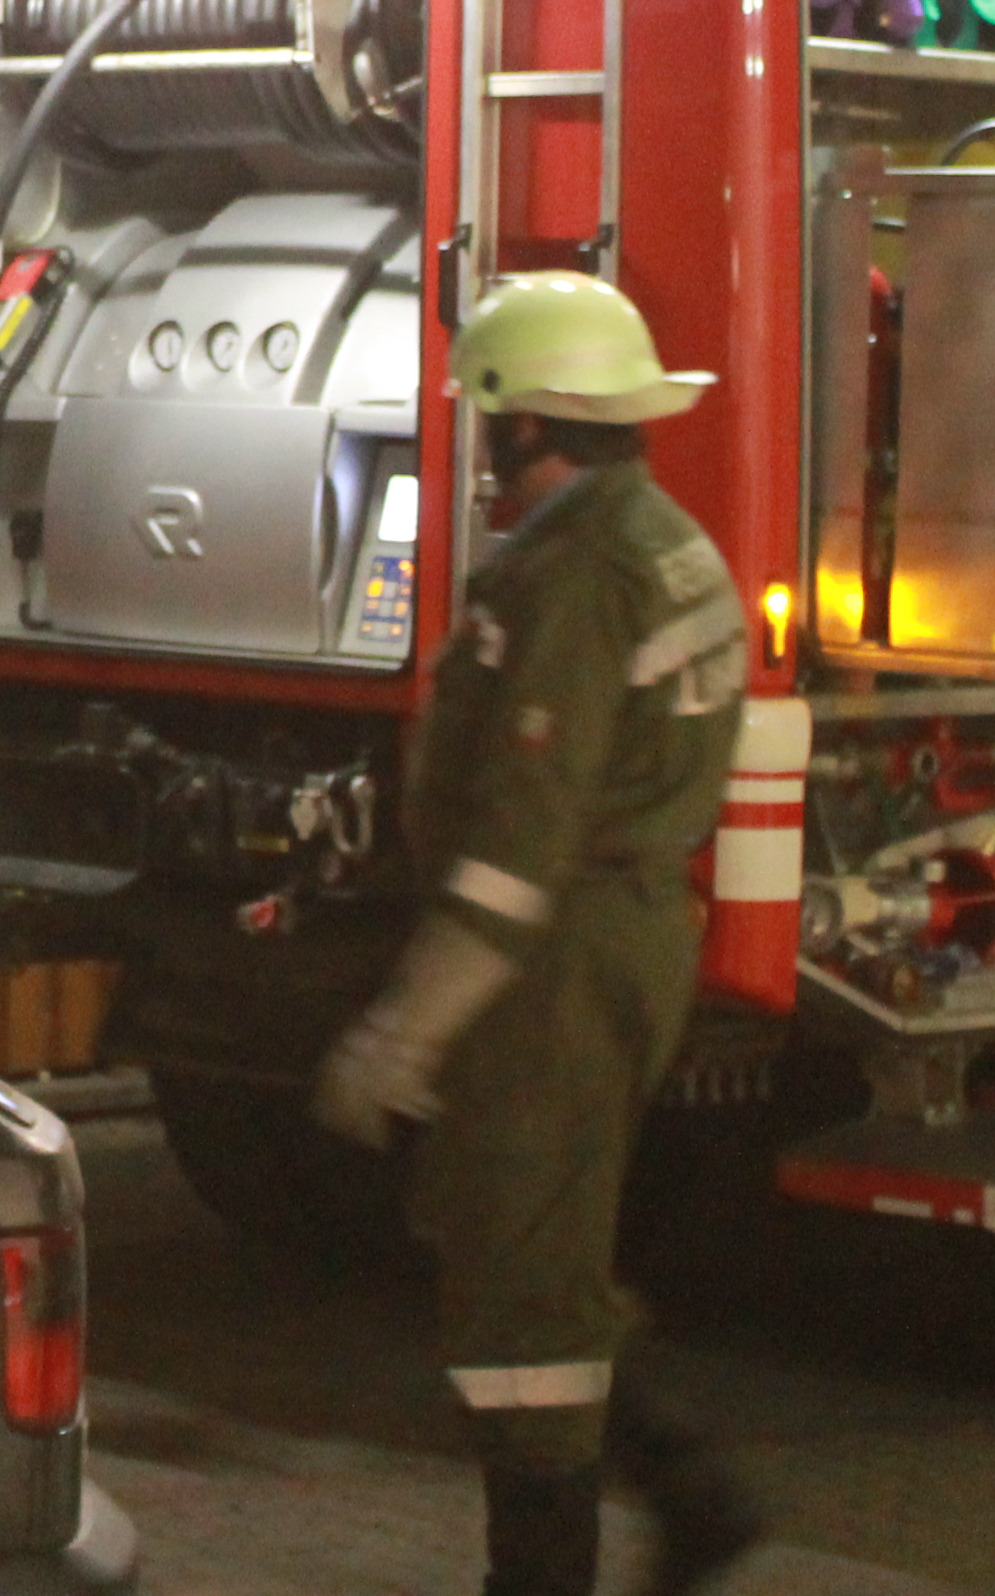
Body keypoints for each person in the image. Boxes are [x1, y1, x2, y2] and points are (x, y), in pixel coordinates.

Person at [309, 270, 760, 1596]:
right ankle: (694, 1492)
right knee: (524, 1238)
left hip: (555, 958)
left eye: (487, 422)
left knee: (523, 1305)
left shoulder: (573, 576)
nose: (484, 453)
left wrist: (403, 1033)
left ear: (523, 423)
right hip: (617, 936)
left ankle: (597, 1550)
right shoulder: (663, 539)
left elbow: (519, 851)